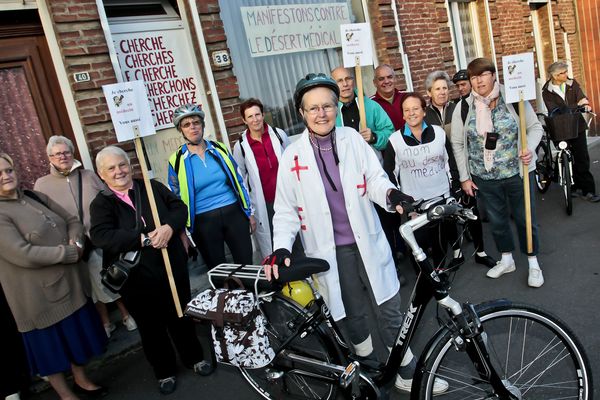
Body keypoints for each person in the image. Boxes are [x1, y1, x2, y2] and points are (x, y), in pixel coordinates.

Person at [264, 73, 447, 395]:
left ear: (336, 107)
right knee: (351, 314)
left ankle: (405, 370)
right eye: (313, 108)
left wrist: (392, 195)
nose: (321, 114)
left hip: (367, 240)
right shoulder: (292, 155)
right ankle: (368, 370)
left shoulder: (352, 140)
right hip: (329, 251)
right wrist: (280, 247)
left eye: (327, 106)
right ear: (302, 113)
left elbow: (375, 179)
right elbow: (285, 210)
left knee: (389, 307)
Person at [90, 146, 213, 395]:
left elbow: (180, 208)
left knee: (180, 315)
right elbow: (102, 236)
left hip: (170, 267)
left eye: (122, 165)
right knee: (150, 327)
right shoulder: (102, 204)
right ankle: (164, 371)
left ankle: (194, 358)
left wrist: (168, 227)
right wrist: (143, 239)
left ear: (130, 165)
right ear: (102, 174)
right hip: (136, 278)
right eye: (111, 168)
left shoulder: (151, 186)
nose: (119, 171)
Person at [0, 152, 107, 400]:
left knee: (76, 341)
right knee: (51, 350)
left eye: (8, 170)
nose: (6, 176)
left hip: (69, 286)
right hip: (37, 298)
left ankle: (82, 380)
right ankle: (66, 395)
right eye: (0, 174)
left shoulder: (34, 196)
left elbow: (72, 220)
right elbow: (23, 254)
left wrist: (76, 237)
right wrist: (70, 252)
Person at [451, 58, 545, 287]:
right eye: (473, 77)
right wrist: (464, 177)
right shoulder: (464, 107)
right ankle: (507, 259)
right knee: (497, 220)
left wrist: (529, 148)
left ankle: (533, 263)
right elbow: (457, 143)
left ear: (493, 75)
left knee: (525, 219)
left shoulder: (513, 97)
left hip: (517, 173)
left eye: (483, 75)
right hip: (485, 177)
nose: (478, 80)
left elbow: (535, 127)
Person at [34, 135, 137, 338]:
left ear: (72, 153)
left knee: (113, 275)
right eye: (56, 154)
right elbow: (43, 216)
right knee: (90, 284)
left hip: (101, 236)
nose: (62, 157)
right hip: (74, 243)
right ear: (49, 158)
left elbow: (110, 197)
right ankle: (105, 321)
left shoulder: (88, 176)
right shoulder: (42, 185)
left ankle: (126, 314)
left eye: (66, 152)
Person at [167, 104, 253, 268]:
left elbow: (238, 180)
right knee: (218, 271)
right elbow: (175, 197)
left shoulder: (219, 148)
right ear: (181, 130)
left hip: (234, 213)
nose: (192, 127)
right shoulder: (176, 160)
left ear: (202, 125)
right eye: (186, 125)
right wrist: (183, 231)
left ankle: (250, 293)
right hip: (203, 222)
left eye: (196, 122)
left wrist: (249, 212)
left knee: (247, 265)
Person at [384, 93, 458, 269]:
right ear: (402, 114)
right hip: (413, 204)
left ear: (424, 111)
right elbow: (390, 173)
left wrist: (454, 190)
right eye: (406, 110)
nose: (411, 113)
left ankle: (440, 272)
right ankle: (423, 278)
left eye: (415, 108)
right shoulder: (394, 140)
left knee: (440, 242)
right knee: (418, 245)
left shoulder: (439, 133)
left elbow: (450, 162)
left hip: (440, 197)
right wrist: (399, 199)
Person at [232, 98, 290, 259]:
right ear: (244, 120)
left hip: (288, 199)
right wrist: (248, 211)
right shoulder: (241, 146)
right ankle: (280, 281)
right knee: (273, 245)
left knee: (295, 240)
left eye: (257, 114)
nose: (255, 119)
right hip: (265, 204)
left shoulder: (279, 135)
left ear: (263, 115)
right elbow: (240, 180)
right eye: (250, 116)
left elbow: (294, 163)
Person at [449, 71, 497, 268]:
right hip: (460, 168)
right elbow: (456, 141)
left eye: (464, 84)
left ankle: (486, 250)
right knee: (464, 211)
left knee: (484, 209)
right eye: (457, 85)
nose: (461, 88)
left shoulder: (478, 103)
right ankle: (468, 251)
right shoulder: (459, 107)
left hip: (480, 165)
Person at [542, 60, 600, 202]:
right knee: (567, 157)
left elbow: (582, 98)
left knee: (582, 158)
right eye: (563, 73)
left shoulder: (572, 84)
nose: (566, 74)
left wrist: (585, 104)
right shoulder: (547, 91)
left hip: (577, 125)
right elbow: (554, 109)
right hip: (560, 127)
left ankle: (588, 191)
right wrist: (576, 105)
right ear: (555, 76)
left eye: (566, 71)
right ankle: (573, 187)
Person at [331, 66, 395, 163]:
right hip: (346, 169)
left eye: (348, 79)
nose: (345, 84)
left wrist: (374, 137)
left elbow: (390, 134)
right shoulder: (329, 111)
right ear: (333, 85)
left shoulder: (371, 106)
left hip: (374, 168)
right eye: (339, 81)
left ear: (354, 81)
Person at [371, 64, 407, 130]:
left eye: (389, 77)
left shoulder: (407, 98)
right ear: (374, 82)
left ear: (395, 78)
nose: (386, 81)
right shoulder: (370, 104)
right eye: (381, 79)